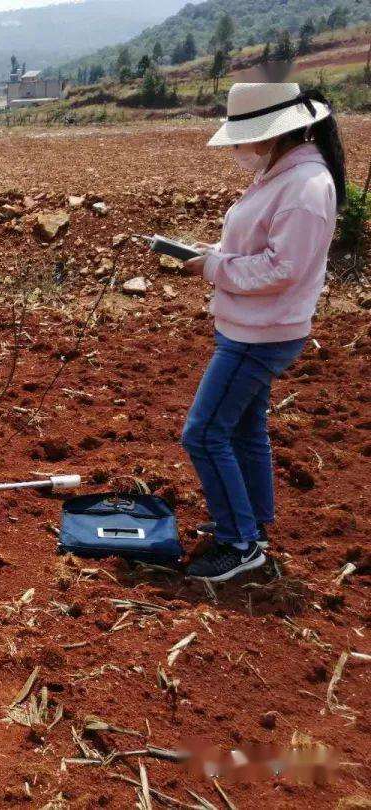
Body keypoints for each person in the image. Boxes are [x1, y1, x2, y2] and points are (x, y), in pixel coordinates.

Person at [181, 83, 345, 582]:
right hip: (250, 326)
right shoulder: (283, 175)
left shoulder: (306, 188)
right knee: (244, 429)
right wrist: (212, 255)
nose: (236, 149)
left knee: (204, 434)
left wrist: (214, 269)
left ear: (273, 135)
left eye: (241, 138)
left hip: (262, 333)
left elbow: (282, 269)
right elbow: (260, 245)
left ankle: (240, 543)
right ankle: (251, 522)